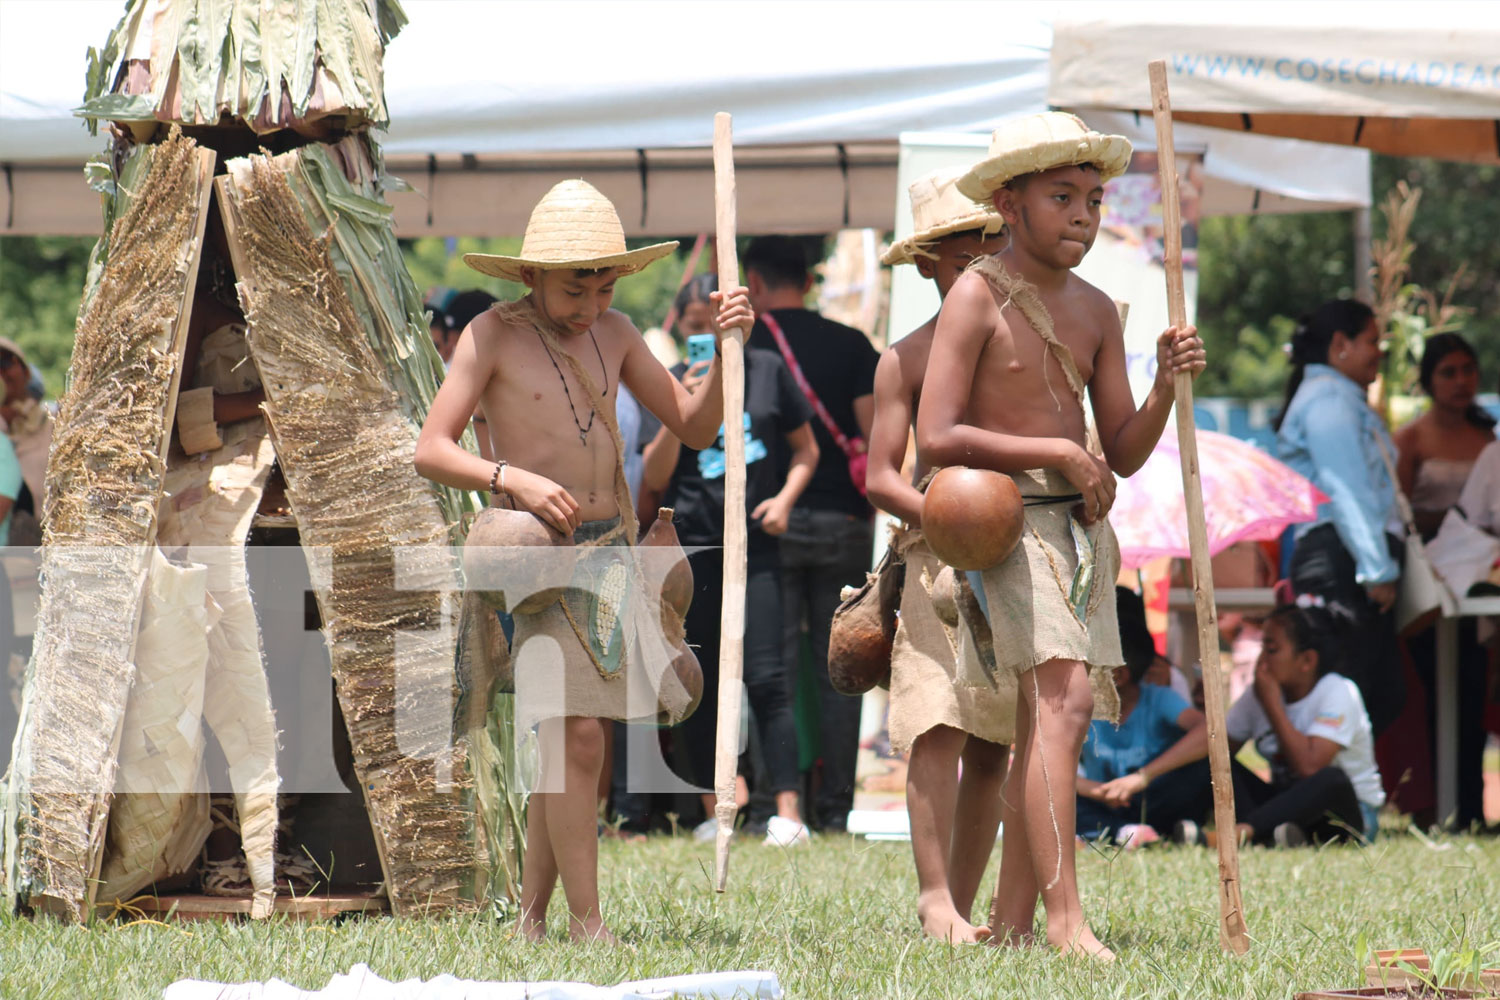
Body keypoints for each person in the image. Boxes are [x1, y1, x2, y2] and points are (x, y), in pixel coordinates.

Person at [413, 179, 752, 943]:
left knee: (572, 738)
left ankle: (531, 921)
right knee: (580, 736)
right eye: (576, 287)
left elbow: (696, 429)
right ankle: (587, 923)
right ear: (530, 274)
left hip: (610, 554)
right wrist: (512, 479)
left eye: (605, 287)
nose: (592, 305)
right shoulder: (490, 335)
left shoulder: (622, 333)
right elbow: (430, 449)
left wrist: (731, 351)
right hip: (536, 559)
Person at [915, 112, 1204, 959]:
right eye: (1062, 197)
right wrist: (1055, 451)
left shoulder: (1099, 311)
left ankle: (1011, 925)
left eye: (1094, 199)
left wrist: (1162, 387)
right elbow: (938, 435)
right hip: (1003, 526)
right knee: (1064, 702)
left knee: (1049, 724)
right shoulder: (975, 293)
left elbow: (1122, 449)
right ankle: (1067, 922)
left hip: (1081, 534)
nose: (1083, 214)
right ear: (1009, 203)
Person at [865, 167, 1012, 943]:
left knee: (997, 737)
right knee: (937, 722)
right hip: (936, 559)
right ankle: (934, 899)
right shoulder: (906, 358)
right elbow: (880, 474)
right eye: (964, 259)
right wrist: (950, 516)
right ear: (928, 264)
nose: (982, 271)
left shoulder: (1029, 344)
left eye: (995, 252)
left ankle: (963, 898)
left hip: (1025, 553)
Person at [642, 273, 820, 849]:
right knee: (696, 678)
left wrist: (785, 500)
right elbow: (655, 477)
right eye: (696, 326)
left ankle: (787, 812)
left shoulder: (767, 369)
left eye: (714, 325)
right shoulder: (672, 382)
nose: (707, 335)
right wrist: (688, 404)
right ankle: (713, 805)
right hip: (694, 547)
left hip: (758, 544)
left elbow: (806, 451)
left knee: (768, 675)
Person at [744, 235, 880, 832]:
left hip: (768, 517)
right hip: (845, 522)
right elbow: (875, 440)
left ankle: (779, 802)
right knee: (842, 668)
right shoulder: (852, 345)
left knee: (771, 668)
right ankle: (835, 808)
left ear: (754, 281)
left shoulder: (749, 346)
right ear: (808, 279)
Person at [1274, 299, 1404, 738]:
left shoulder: (1334, 397)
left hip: (1341, 557)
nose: (1379, 352)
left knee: (1364, 692)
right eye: (1372, 341)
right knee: (1346, 693)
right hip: (1341, 559)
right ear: (1339, 345)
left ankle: (1335, 801)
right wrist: (1377, 568)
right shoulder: (1330, 400)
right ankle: (1319, 802)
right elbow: (1347, 489)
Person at [1226, 601, 1385, 845]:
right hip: (1283, 804)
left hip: (1347, 815)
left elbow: (1310, 767)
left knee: (1332, 778)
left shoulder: (1338, 690)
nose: (1262, 661)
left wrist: (1272, 705)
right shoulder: (1260, 692)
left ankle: (1244, 833)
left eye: (1272, 649)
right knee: (1218, 766)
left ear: (1307, 660)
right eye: (1262, 648)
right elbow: (1221, 748)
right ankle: (1275, 834)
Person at [1075, 589, 1210, 848]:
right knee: (1054, 795)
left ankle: (1118, 833)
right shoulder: (1084, 705)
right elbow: (1054, 762)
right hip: (1101, 799)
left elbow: (1207, 732)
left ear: (1120, 675)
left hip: (1153, 797)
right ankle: (1127, 832)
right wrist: (1096, 791)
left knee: (1200, 772)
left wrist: (1141, 778)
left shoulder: (1158, 698)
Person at [1394, 333, 1494, 541]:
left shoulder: (1486, 435)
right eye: (1449, 373)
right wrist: (1454, 518)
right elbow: (1398, 515)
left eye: (1468, 370)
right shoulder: (1409, 439)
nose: (1461, 381)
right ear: (1429, 380)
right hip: (1428, 559)